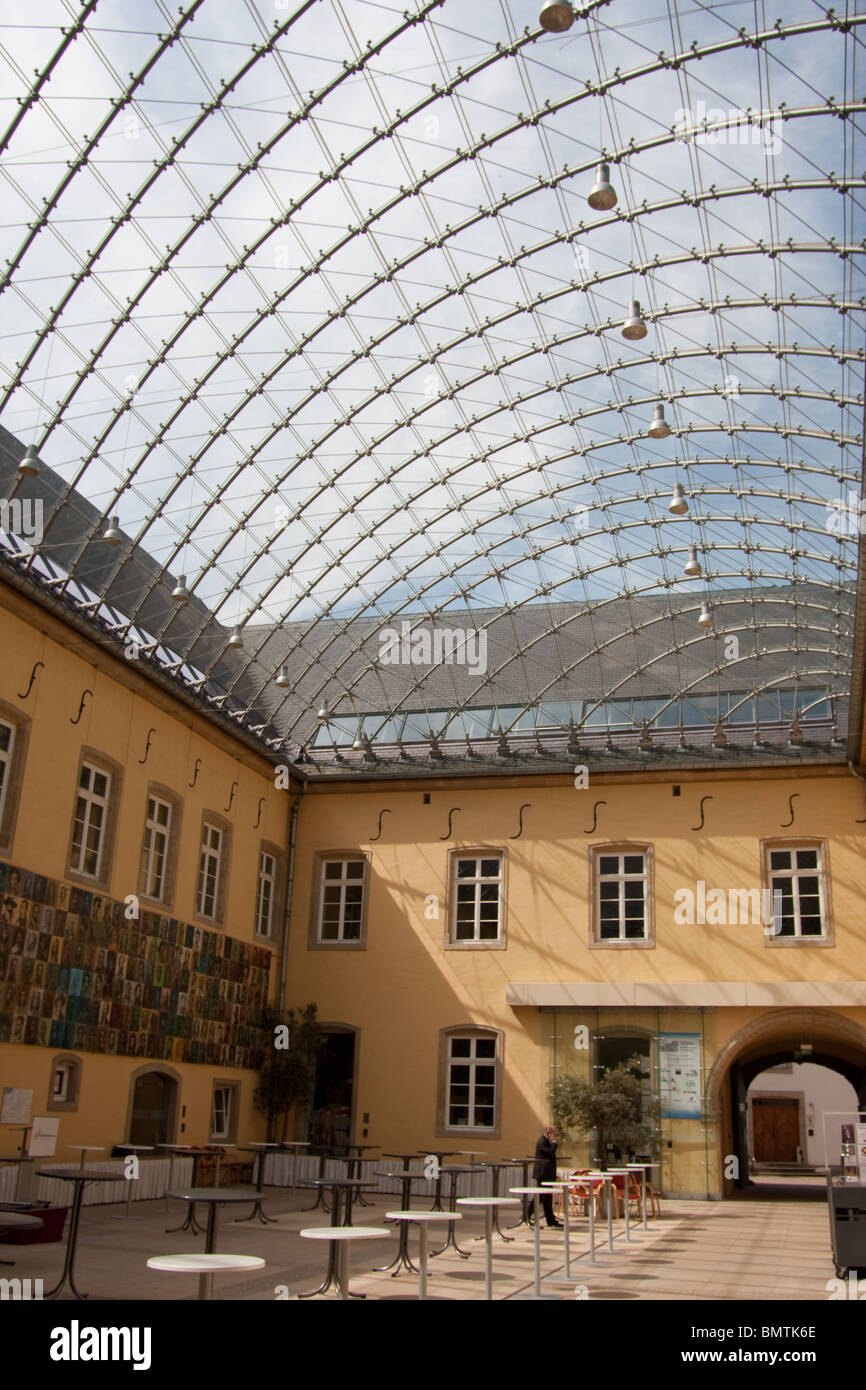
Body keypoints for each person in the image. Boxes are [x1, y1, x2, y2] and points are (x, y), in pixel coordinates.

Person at [531, 1124, 562, 1227]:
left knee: (548, 1197)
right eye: (554, 1134)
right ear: (549, 1133)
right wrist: (554, 1143)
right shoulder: (543, 1142)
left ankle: (550, 1220)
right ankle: (526, 1215)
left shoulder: (546, 1142)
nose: (555, 1136)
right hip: (543, 1174)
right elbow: (550, 1152)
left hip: (548, 1174)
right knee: (540, 1196)